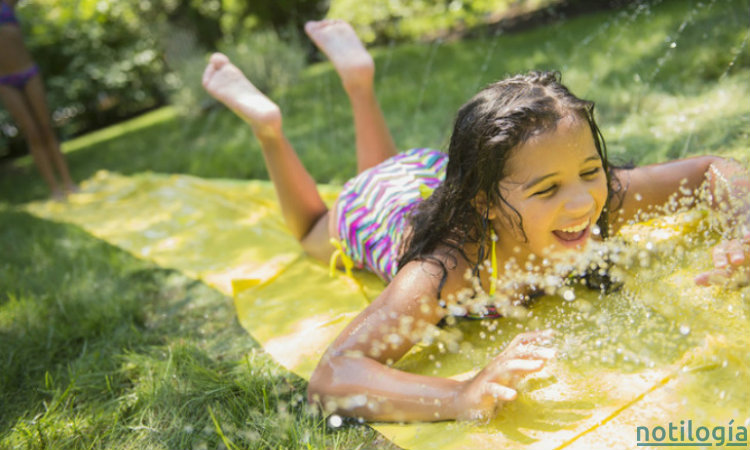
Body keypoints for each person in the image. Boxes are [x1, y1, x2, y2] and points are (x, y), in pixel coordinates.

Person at [202, 20, 750, 422]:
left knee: (391, 171)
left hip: (429, 175)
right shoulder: (448, 269)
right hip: (379, 207)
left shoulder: (593, 197)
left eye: (589, 170)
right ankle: (269, 127)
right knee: (310, 230)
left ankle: (359, 81)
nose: (581, 201)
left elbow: (711, 170)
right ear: (486, 201)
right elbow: (332, 377)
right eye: (549, 188)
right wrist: (460, 392)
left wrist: (742, 224)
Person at [0, 0, 76, 200]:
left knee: (45, 127)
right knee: (32, 133)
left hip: (29, 72)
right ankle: (54, 189)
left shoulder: (6, 4)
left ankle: (68, 182)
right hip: (4, 81)